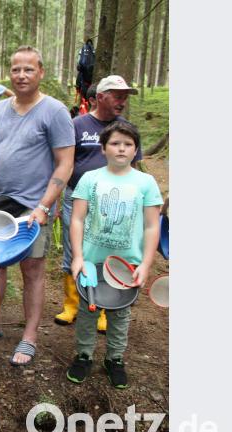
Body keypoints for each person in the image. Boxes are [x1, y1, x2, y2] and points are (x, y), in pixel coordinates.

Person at [0, 46, 75, 366]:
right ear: (7, 74)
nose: (22, 75)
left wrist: (44, 206)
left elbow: (64, 164)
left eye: (29, 69)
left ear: (41, 72)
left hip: (32, 207)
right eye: (16, 69)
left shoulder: (54, 112)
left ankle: (29, 335)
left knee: (33, 271)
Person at [66, 122, 162, 389]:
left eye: (128, 144)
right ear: (103, 148)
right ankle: (84, 355)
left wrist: (145, 263)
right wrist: (77, 257)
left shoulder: (146, 182)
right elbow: (77, 219)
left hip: (126, 264)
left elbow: (152, 225)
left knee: (120, 315)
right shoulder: (90, 179)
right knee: (87, 310)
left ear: (136, 150)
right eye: (115, 143)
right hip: (91, 261)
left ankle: (115, 358)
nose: (121, 148)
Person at [55, 75, 144, 331]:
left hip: (113, 203)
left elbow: (134, 167)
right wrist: (60, 198)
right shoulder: (77, 124)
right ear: (101, 96)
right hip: (77, 196)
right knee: (74, 250)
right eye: (118, 96)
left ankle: (103, 307)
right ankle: (72, 304)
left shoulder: (126, 128)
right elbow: (65, 162)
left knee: (105, 252)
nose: (122, 101)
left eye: (125, 97)